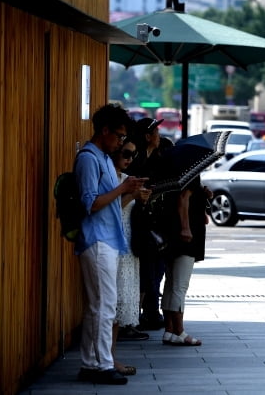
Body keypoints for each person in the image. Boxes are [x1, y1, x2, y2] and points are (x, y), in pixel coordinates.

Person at [75, 104, 147, 385]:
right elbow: (90, 203)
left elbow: (111, 201)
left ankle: (91, 362)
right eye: (117, 135)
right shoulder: (89, 159)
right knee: (105, 305)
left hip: (108, 239)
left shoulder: (104, 157)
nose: (120, 142)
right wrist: (122, 188)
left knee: (98, 306)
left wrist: (128, 190)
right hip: (96, 239)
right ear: (104, 131)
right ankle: (102, 364)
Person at [110, 137, 151, 376]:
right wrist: (133, 197)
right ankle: (106, 358)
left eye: (133, 155)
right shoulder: (109, 178)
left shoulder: (128, 180)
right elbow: (109, 211)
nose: (129, 159)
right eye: (126, 153)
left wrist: (142, 200)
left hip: (128, 245)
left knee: (119, 305)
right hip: (112, 244)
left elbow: (132, 211)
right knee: (109, 305)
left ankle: (111, 356)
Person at [161, 178, 212, 346]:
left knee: (171, 283)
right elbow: (183, 197)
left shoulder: (177, 170)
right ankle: (179, 331)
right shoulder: (192, 170)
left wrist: (202, 195)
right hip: (186, 236)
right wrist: (186, 227)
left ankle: (169, 330)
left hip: (172, 231)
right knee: (180, 286)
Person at [126, 117, 166, 330]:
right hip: (136, 216)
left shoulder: (160, 155)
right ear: (147, 136)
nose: (160, 136)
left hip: (154, 217)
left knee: (154, 267)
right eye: (156, 132)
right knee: (143, 268)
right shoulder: (136, 157)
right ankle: (137, 315)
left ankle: (149, 311)